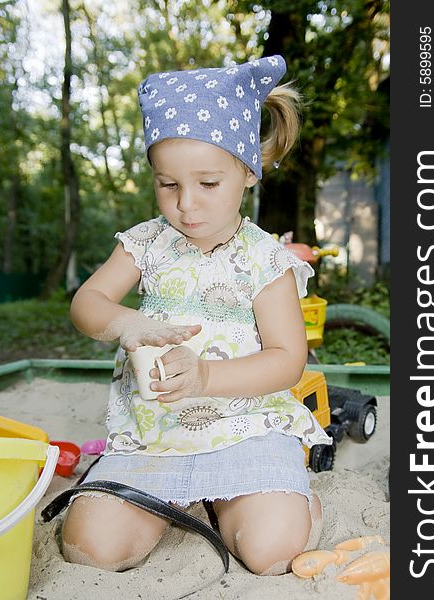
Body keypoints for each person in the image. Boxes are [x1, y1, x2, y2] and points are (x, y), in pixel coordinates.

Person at [62, 54, 332, 576]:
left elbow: (287, 360)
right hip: (154, 432)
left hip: (245, 427)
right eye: (168, 185)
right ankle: (184, 501)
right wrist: (125, 323)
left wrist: (207, 375)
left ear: (247, 171)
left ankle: (288, 503)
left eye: (208, 184)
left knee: (271, 551)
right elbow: (86, 305)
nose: (187, 205)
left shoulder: (266, 260)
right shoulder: (146, 244)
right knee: (89, 548)